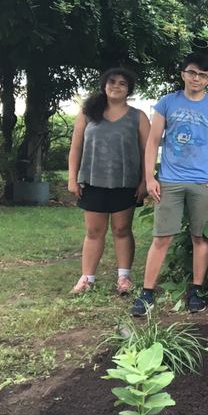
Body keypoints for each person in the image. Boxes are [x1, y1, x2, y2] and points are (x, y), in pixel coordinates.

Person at [132, 53, 208, 316]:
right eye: (192, 72)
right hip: (169, 181)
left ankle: (197, 291)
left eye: (202, 75)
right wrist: (151, 177)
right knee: (161, 237)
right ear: (183, 74)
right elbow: (153, 141)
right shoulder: (167, 103)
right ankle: (147, 294)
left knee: (201, 237)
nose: (196, 78)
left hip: (204, 182)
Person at [67, 68, 151, 295]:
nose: (116, 86)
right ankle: (87, 279)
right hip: (92, 182)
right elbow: (76, 147)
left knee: (122, 229)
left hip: (126, 184)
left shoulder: (138, 116)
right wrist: (72, 179)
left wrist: (146, 180)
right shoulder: (88, 113)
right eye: (112, 81)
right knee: (94, 231)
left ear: (129, 90)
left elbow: (147, 151)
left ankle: (124, 278)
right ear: (104, 85)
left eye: (122, 83)